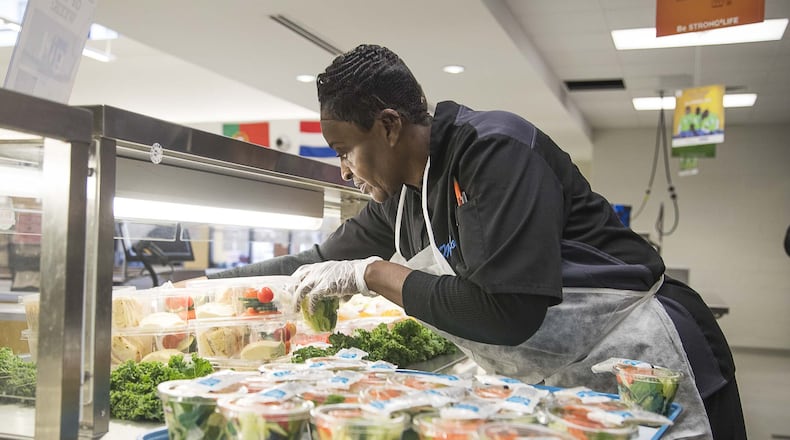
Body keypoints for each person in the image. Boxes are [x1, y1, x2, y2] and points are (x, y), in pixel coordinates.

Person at [210, 44, 745, 439]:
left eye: (345, 150)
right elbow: (319, 261)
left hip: (647, 361)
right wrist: (201, 285)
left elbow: (506, 312)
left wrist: (373, 274)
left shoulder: (493, 150)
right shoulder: (403, 199)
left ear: (390, 125)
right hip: (569, 378)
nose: (345, 170)